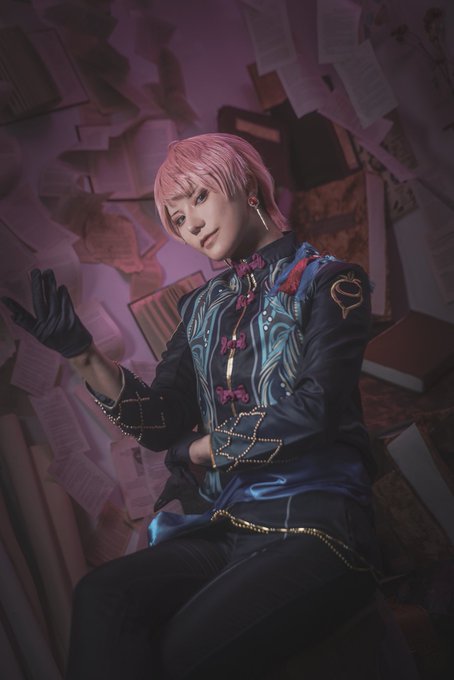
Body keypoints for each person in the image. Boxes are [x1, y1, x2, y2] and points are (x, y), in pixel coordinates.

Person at [2, 133, 382, 680]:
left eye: (200, 198)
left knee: (178, 655)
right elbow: (162, 422)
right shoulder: (202, 306)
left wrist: (205, 449)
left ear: (246, 185)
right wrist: (83, 355)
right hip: (228, 525)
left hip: (317, 523)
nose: (193, 226)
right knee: (101, 594)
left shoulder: (331, 282)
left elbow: (315, 410)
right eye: (178, 219)